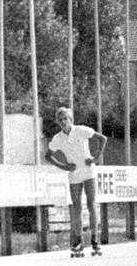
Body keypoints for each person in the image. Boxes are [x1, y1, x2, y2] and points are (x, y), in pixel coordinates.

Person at [45, 106, 108, 257]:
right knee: (76, 208)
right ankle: (78, 240)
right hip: (74, 175)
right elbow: (48, 156)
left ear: (70, 119)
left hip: (88, 172)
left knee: (92, 204)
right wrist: (64, 166)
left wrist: (96, 157)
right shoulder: (58, 138)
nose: (63, 122)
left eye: (65, 119)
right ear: (57, 122)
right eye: (60, 120)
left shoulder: (81, 130)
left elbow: (102, 138)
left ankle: (95, 239)